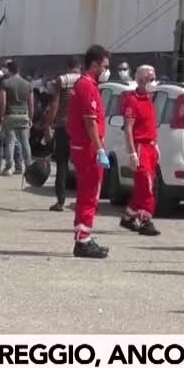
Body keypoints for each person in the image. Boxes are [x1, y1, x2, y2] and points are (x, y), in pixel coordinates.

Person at [68, 45, 112, 258]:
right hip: (88, 148)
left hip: (84, 146)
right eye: (104, 66)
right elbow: (90, 123)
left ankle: (82, 235)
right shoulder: (87, 86)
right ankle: (83, 240)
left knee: (86, 192)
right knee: (90, 193)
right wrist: (100, 149)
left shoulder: (85, 85)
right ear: (94, 65)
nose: (106, 70)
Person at [119, 65, 162, 236]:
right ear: (141, 80)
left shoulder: (149, 98)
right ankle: (146, 219)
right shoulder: (132, 100)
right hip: (140, 147)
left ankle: (128, 216)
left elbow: (150, 124)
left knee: (141, 188)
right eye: (151, 79)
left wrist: (156, 144)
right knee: (147, 187)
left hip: (151, 147)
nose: (153, 82)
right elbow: (128, 128)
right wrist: (132, 153)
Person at [42, 58, 83, 212]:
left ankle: (60, 201)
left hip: (63, 126)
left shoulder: (62, 79)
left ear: (67, 67)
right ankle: (82, 200)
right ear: (78, 67)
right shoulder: (84, 80)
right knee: (81, 165)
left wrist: (47, 125)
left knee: (62, 163)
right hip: (80, 127)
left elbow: (55, 104)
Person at [0, 59, 35, 175]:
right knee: (25, 142)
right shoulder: (27, 84)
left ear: (9, 70)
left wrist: (2, 115)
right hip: (23, 115)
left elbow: (2, 101)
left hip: (10, 115)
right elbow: (31, 103)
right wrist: (31, 117)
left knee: (10, 141)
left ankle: (9, 167)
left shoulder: (6, 83)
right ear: (18, 70)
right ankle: (28, 166)